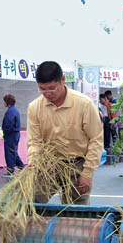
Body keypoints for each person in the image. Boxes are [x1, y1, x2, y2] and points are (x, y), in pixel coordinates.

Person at [27, 61, 103, 205]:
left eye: (52, 88)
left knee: (76, 210)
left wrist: (87, 173)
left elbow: (96, 139)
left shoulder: (84, 104)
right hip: (49, 164)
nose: (47, 93)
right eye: (42, 89)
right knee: (33, 201)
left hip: (77, 164)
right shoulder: (34, 107)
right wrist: (33, 163)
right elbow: (35, 142)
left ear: (62, 80)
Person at [2, 93, 25, 177]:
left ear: (7, 102)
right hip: (15, 134)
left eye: (4, 101)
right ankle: (21, 166)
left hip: (11, 135)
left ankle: (10, 170)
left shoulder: (10, 111)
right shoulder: (14, 110)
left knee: (10, 152)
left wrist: (5, 133)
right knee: (13, 151)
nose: (3, 103)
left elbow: (8, 124)